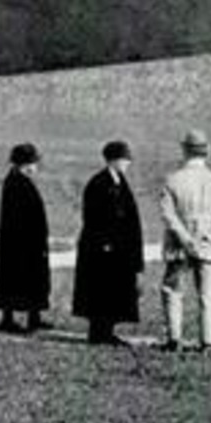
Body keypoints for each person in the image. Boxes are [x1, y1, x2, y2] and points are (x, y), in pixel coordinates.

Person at [160, 128, 211, 351]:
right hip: (209, 248)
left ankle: (174, 339)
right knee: (208, 294)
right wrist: (210, 238)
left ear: (184, 150)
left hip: (178, 246)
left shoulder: (173, 180)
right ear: (206, 152)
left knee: (173, 291)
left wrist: (186, 239)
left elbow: (168, 215)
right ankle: (208, 341)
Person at [72, 140, 144, 345]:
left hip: (116, 249)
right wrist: (104, 242)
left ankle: (106, 331)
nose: (128, 162)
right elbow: (93, 217)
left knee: (112, 291)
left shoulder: (119, 182)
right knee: (101, 291)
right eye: (125, 158)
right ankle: (98, 333)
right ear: (113, 160)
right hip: (101, 250)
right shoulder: (99, 183)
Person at [0, 142, 51, 332]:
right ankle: (12, 319)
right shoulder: (17, 183)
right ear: (26, 164)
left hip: (20, 242)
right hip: (22, 243)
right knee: (22, 279)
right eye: (34, 163)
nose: (35, 167)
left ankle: (31, 317)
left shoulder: (15, 180)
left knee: (24, 280)